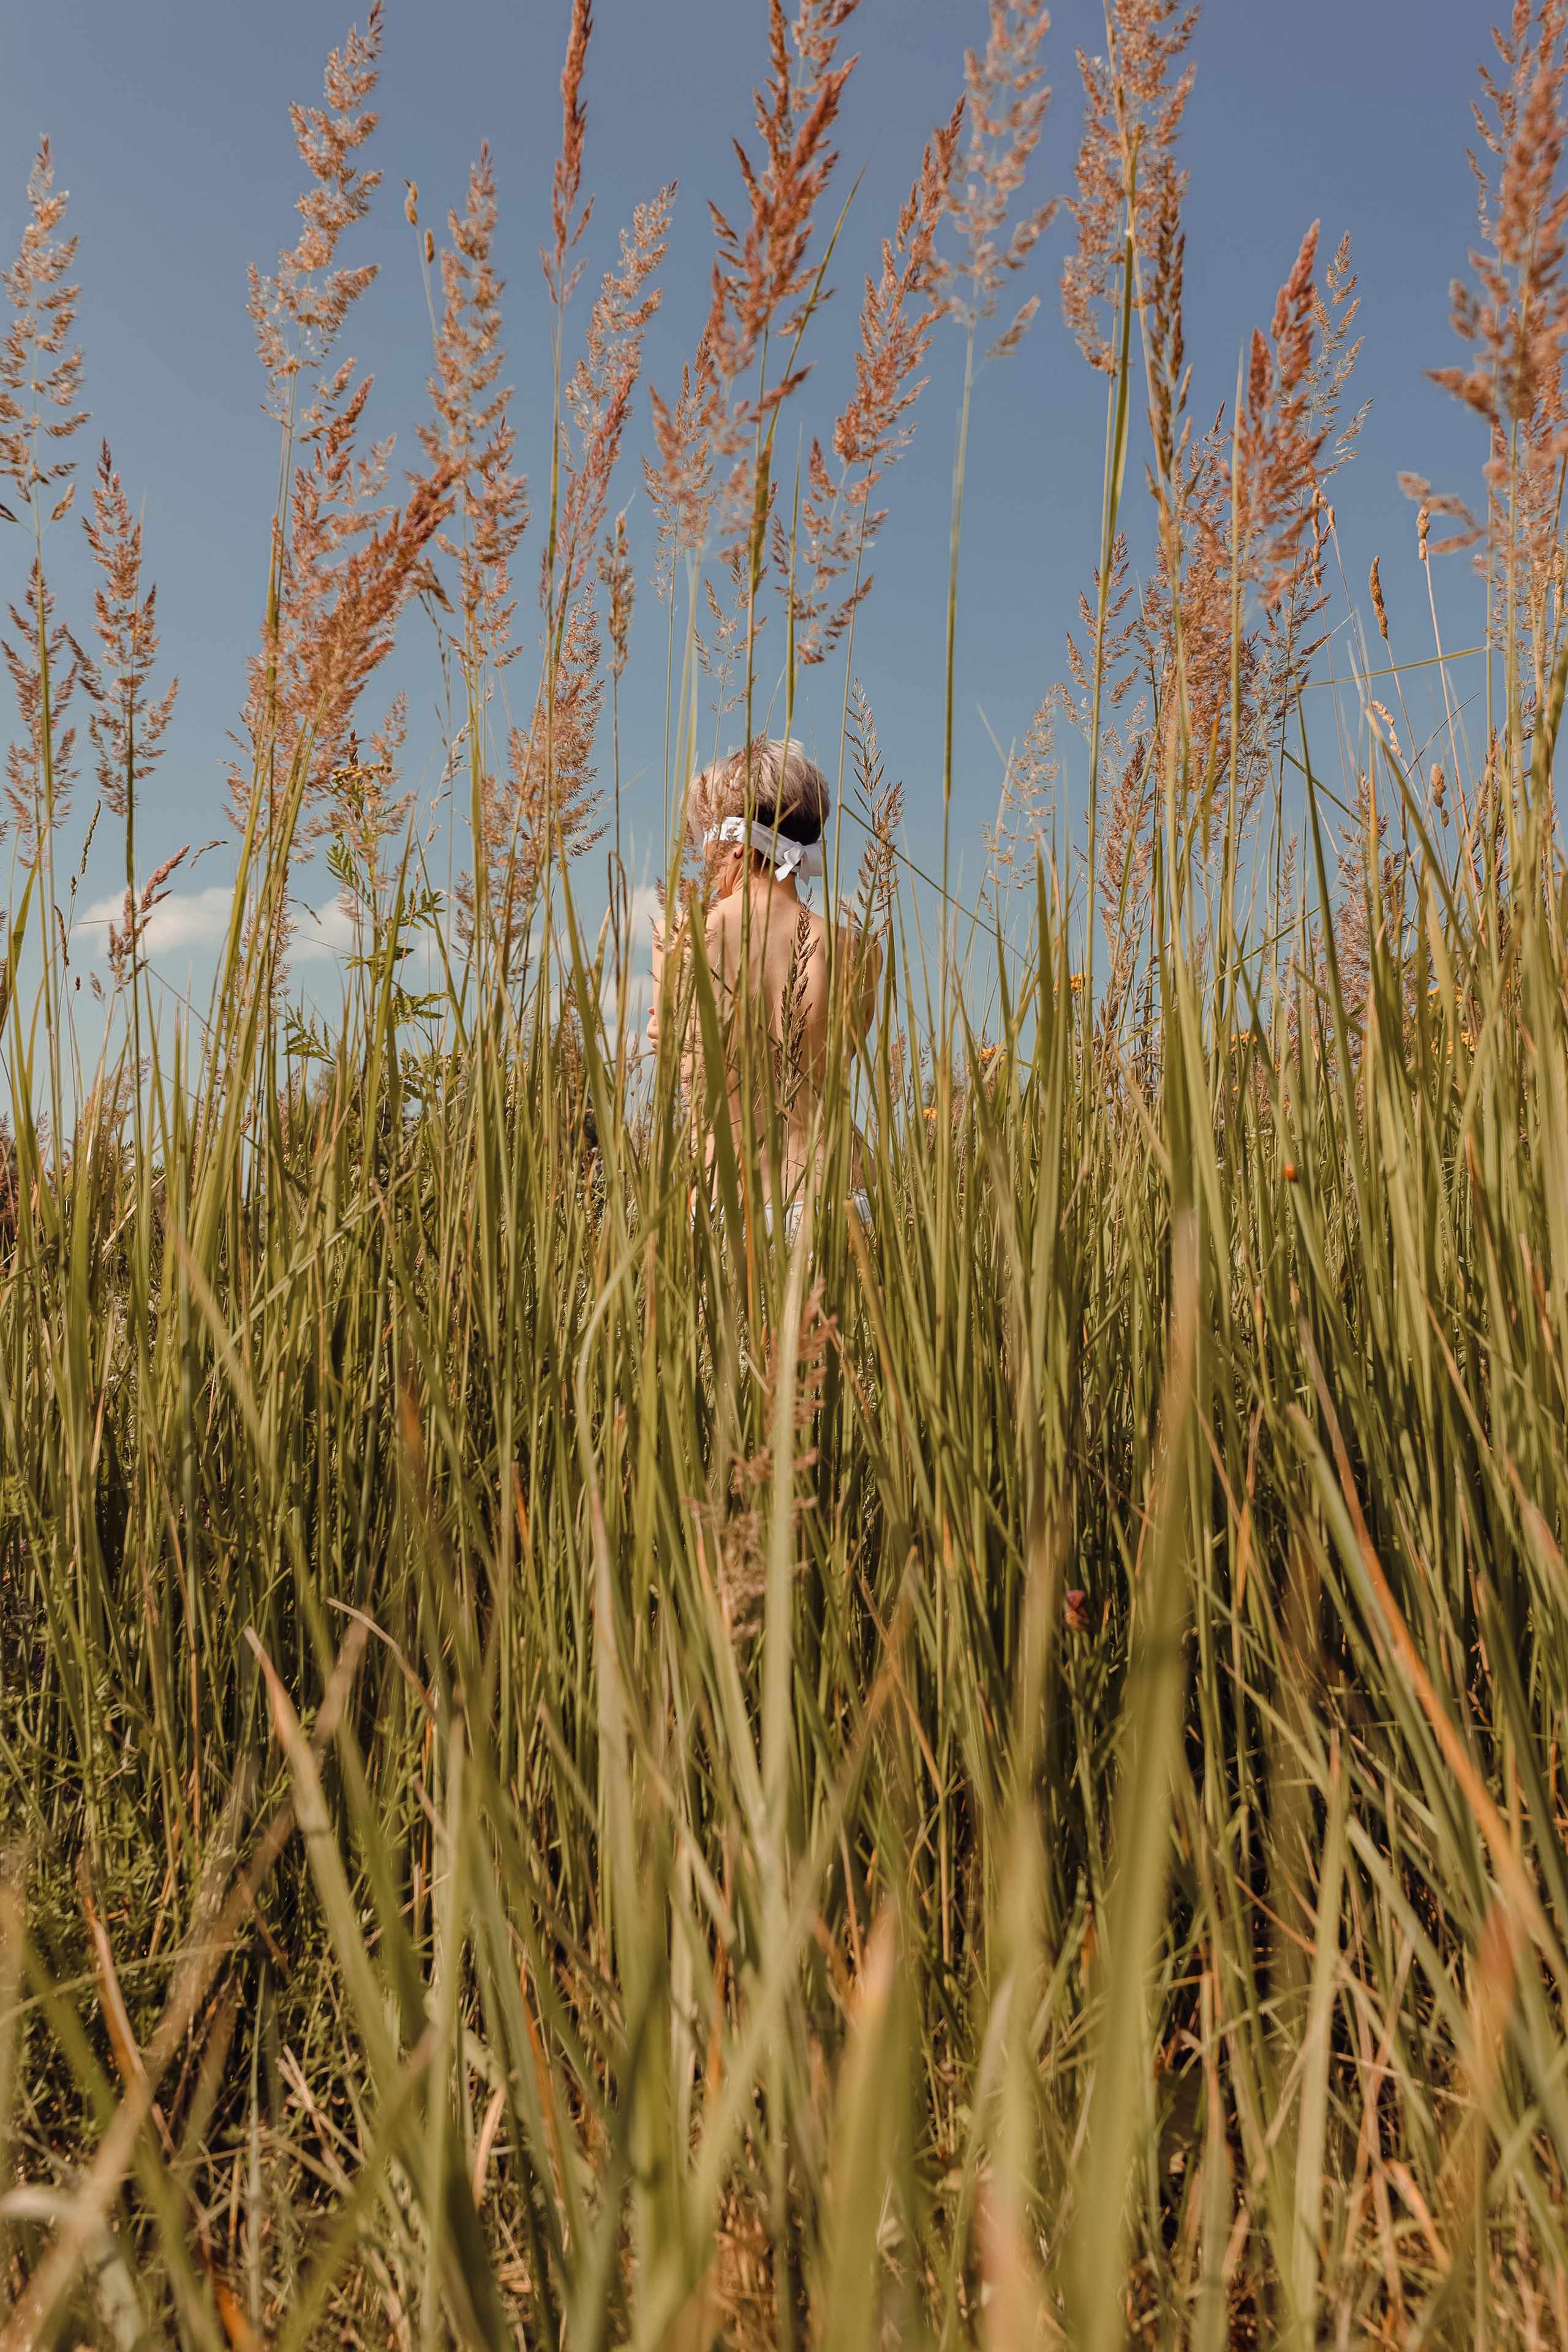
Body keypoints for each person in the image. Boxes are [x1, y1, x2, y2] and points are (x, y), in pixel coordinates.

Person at [647, 738, 880, 1235]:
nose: (704, 858)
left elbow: (689, 1077)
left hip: (730, 1204)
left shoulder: (679, 939)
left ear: (735, 843)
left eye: (703, 840)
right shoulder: (857, 950)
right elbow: (832, 1058)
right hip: (841, 1193)